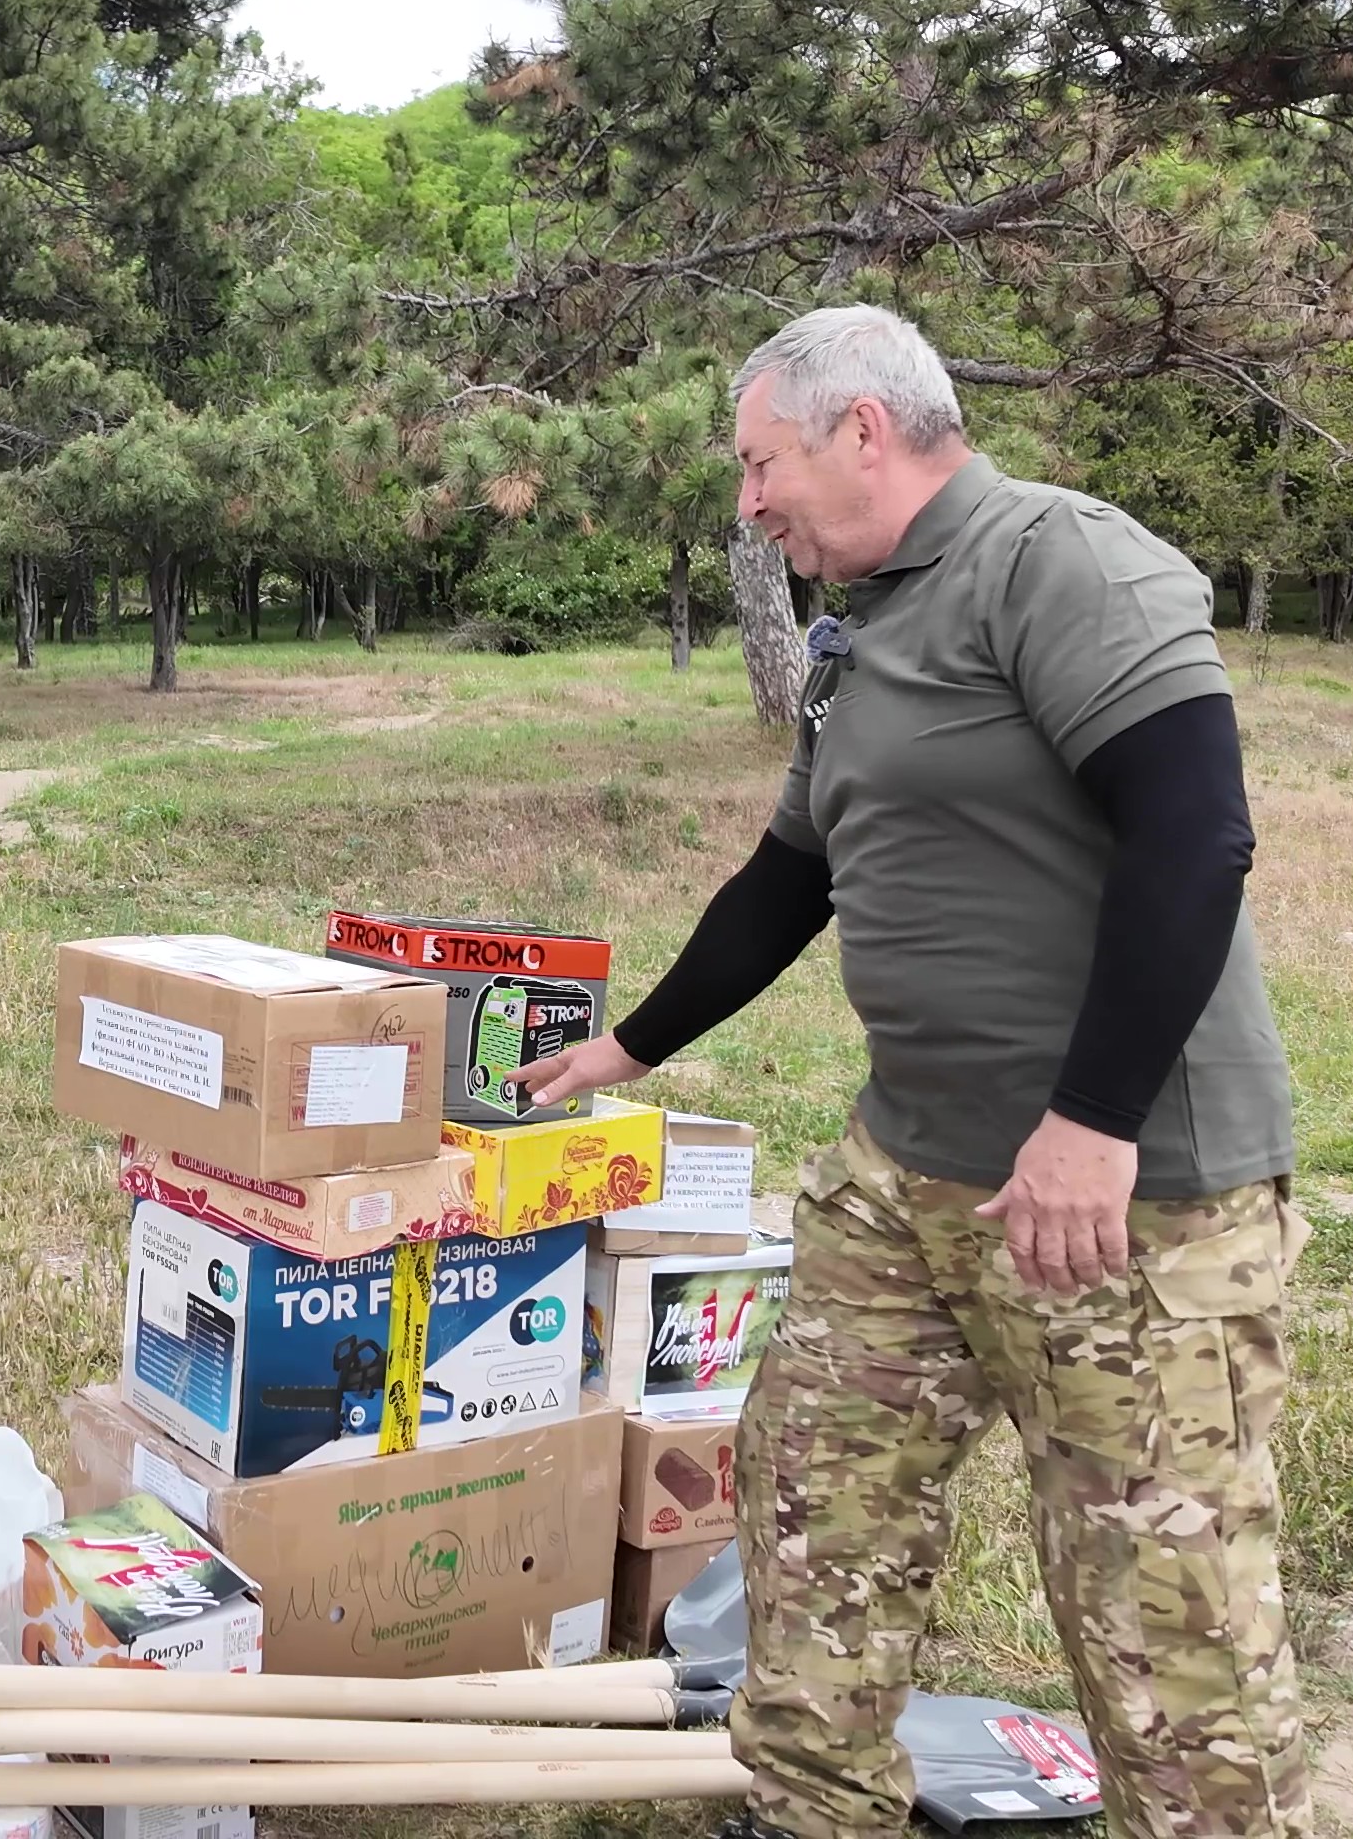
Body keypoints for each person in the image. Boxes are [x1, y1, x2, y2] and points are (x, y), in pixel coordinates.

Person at [512, 304, 1308, 1839]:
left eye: (762, 464)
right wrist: (625, 1047)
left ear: (861, 430)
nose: (749, 501)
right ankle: (813, 1810)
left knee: (1164, 1599)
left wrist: (1092, 1123)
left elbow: (1195, 832)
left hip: (1127, 1196)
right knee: (816, 1493)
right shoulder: (860, 633)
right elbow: (790, 877)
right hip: (907, 1172)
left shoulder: (1059, 563)